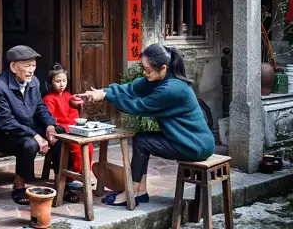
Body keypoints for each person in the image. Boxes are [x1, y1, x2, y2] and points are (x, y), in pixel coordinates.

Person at [79, 43, 215, 207]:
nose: (145, 73)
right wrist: (101, 92)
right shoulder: (158, 78)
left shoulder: (172, 88)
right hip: (183, 139)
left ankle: (131, 192)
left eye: (148, 70)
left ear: (163, 68)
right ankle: (139, 191)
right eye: (144, 68)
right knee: (142, 139)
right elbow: (130, 88)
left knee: (143, 142)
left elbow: (139, 106)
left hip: (195, 144)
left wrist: (106, 95)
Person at [0, 46, 80, 205]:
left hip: (29, 128)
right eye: (27, 66)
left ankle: (60, 181)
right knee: (29, 144)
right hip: (4, 135)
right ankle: (19, 183)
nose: (31, 70)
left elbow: (40, 108)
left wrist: (50, 126)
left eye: (33, 65)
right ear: (14, 67)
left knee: (60, 133)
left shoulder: (33, 82)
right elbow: (6, 122)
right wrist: (35, 135)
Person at [43, 62, 94, 191]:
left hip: (72, 128)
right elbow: (51, 120)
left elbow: (74, 116)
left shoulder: (68, 96)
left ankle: (84, 173)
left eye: (64, 80)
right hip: (61, 131)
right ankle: (72, 178)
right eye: (58, 81)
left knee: (89, 146)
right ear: (50, 83)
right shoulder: (49, 99)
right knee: (77, 147)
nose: (62, 84)